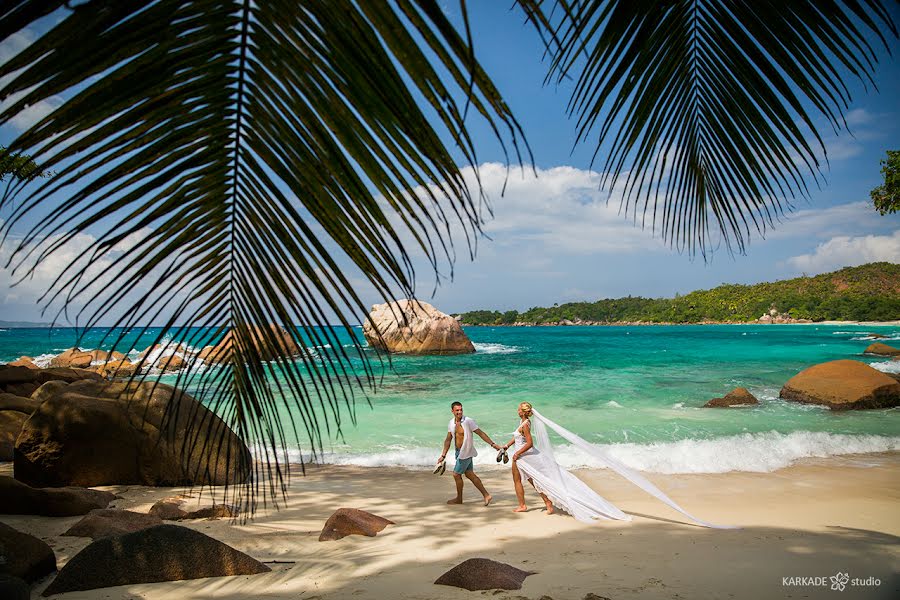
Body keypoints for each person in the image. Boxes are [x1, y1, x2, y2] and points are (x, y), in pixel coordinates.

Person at [498, 402, 734, 528]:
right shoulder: (521, 422)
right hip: (523, 456)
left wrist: (517, 453)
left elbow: (528, 443)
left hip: (527, 457)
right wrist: (508, 447)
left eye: (519, 407)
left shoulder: (527, 424)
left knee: (528, 479)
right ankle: (546, 503)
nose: (517, 409)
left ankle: (527, 505)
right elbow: (518, 438)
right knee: (535, 480)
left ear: (524, 411)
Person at [437, 401, 500, 506]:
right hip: (458, 452)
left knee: (456, 474)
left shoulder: (468, 421)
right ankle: (486, 495)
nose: (459, 412)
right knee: (469, 474)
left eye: (461, 409)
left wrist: (493, 444)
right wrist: (443, 455)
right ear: (452, 411)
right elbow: (448, 439)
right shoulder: (451, 423)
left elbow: (480, 433)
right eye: (457, 410)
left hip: (465, 452)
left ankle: (459, 499)